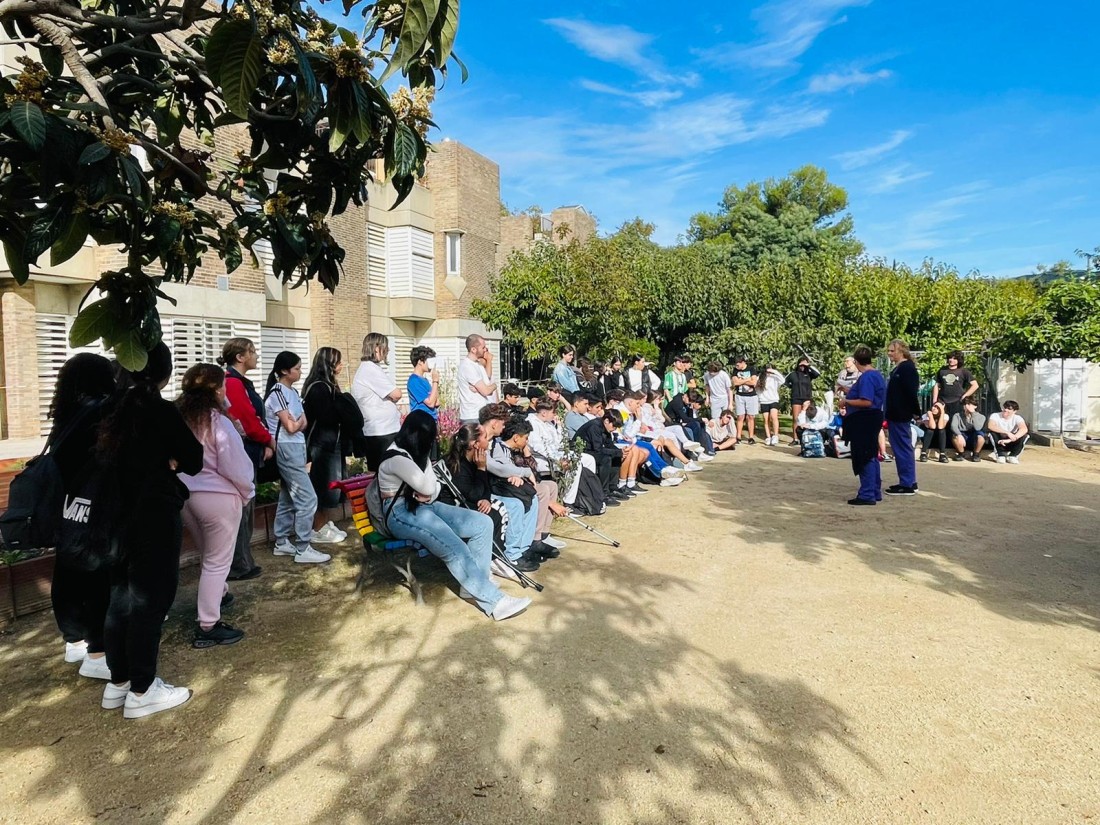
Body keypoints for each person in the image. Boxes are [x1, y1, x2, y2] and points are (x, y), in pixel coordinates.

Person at [97, 342, 203, 718]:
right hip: (153, 515)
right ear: (163, 373)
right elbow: (193, 459)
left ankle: (119, 681)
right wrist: (170, 461)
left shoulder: (110, 408)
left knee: (120, 598)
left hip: (114, 516)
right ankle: (142, 690)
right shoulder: (159, 410)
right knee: (149, 600)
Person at [376, 411, 531, 621]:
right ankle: (495, 602)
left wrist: (427, 488)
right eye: (430, 439)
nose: (432, 443)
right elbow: (428, 487)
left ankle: (475, 585)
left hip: (424, 506)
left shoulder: (411, 453)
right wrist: (426, 466)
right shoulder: (397, 458)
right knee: (454, 546)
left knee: (482, 523)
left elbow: (432, 492)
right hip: (400, 514)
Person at [46, 353, 116, 670]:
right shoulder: (100, 412)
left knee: (66, 565)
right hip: (93, 502)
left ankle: (73, 640)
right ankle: (97, 651)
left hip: (64, 504)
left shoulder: (64, 416)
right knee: (96, 572)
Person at [177, 364, 253, 649]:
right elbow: (235, 466)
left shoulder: (182, 418)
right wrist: (247, 491)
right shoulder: (218, 423)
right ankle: (208, 624)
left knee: (208, 555)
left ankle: (219, 594)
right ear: (217, 390)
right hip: (218, 497)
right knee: (217, 561)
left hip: (187, 495)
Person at [437, 423, 526, 580]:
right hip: (453, 510)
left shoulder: (476, 459)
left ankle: (495, 557)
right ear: (475, 444)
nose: (489, 440)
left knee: (498, 509)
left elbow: (484, 489)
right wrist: (481, 469)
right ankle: (489, 560)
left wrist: (485, 498)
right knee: (494, 514)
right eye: (485, 437)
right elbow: (472, 494)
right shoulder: (457, 464)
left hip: (469, 502)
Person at [265, 351, 330, 564]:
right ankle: (303, 547)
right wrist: (298, 421)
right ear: (285, 371)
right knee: (308, 498)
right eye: (297, 368)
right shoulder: (277, 393)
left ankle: (281, 541)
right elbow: (292, 426)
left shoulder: (292, 392)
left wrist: (299, 420)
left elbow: (303, 422)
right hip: (287, 447)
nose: (301, 372)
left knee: (287, 496)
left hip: (297, 446)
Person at [219, 337, 270, 582]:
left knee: (245, 508)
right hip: (244, 452)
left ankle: (242, 561)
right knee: (243, 508)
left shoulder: (235, 381)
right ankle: (239, 564)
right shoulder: (233, 382)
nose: (256, 355)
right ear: (240, 357)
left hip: (247, 450)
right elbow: (246, 420)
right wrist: (268, 440)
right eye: (253, 351)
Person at [486, 419, 557, 569]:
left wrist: (526, 454)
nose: (527, 441)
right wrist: (520, 473)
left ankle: (529, 544)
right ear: (516, 437)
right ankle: (515, 552)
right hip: (499, 488)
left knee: (539, 492)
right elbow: (500, 469)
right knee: (522, 502)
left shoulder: (513, 448)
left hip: (516, 484)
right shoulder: (497, 447)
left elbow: (532, 470)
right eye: (526, 438)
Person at [301, 347, 350, 544]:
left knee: (331, 486)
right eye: (338, 362)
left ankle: (324, 523)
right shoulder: (319, 388)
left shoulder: (326, 385)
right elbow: (327, 417)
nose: (341, 365)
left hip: (330, 443)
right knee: (322, 487)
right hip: (321, 445)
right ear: (329, 365)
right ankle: (317, 528)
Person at [840, 346, 886, 505]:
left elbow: (866, 401)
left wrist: (846, 401)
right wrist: (848, 390)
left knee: (864, 455)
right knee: (871, 454)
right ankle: (874, 490)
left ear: (856, 361)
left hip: (864, 419)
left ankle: (867, 494)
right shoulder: (877, 374)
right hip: (873, 417)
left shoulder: (867, 377)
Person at [351, 333, 402, 471]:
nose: (388, 350)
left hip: (384, 430)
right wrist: (391, 397)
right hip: (380, 432)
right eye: (385, 347)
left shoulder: (372, 368)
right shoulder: (370, 369)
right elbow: (396, 394)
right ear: (376, 348)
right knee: (385, 472)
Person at [884, 339, 921, 496]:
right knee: (901, 448)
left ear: (902, 351)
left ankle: (907, 483)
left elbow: (911, 393)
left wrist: (916, 412)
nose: (889, 353)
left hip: (900, 413)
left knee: (902, 448)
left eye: (892, 351)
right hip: (895, 413)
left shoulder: (907, 368)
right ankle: (908, 481)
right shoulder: (900, 368)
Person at [458, 334, 498, 423]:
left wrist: (485, 388)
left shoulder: (478, 365)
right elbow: (486, 391)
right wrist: (494, 385)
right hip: (472, 416)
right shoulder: (467, 366)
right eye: (483, 347)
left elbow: (488, 387)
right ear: (473, 349)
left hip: (482, 414)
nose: (485, 350)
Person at [931, 350, 978, 422]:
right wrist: (935, 401)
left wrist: (965, 396)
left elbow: (975, 385)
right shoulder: (942, 370)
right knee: (941, 423)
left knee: (955, 423)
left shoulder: (964, 371)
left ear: (959, 360)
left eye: (954, 358)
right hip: (943, 401)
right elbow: (936, 385)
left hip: (957, 402)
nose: (951, 360)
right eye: (950, 358)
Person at [785, 357, 821, 446]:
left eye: (804, 365)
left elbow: (817, 373)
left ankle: (805, 438)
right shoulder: (793, 374)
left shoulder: (809, 374)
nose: (802, 366)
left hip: (807, 398)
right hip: (796, 398)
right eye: (801, 364)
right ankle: (795, 438)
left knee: (807, 418)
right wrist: (792, 387)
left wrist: (808, 366)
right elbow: (785, 381)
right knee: (796, 419)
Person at [406, 345, 439, 419]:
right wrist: (435, 381)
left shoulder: (424, 380)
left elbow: (437, 402)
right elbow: (431, 403)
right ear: (420, 362)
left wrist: (436, 382)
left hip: (431, 419)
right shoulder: (414, 381)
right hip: (422, 420)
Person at [732, 356, 759, 444]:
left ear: (743, 362)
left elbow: (754, 382)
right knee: (740, 416)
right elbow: (735, 382)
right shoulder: (735, 371)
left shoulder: (751, 369)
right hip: (740, 396)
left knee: (751, 416)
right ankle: (738, 436)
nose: (736, 366)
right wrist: (747, 379)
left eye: (738, 365)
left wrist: (741, 380)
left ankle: (751, 437)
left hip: (751, 396)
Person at [950, 397, 987, 462]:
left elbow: (977, 428)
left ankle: (976, 454)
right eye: (965, 404)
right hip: (963, 433)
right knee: (955, 436)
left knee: (981, 437)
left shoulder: (981, 417)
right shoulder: (957, 415)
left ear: (975, 406)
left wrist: (973, 414)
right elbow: (953, 426)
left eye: (969, 404)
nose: (966, 406)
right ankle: (961, 453)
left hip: (974, 434)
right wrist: (959, 435)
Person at [756, 364, 785, 446]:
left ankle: (775, 435)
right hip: (764, 401)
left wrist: (774, 371)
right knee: (766, 420)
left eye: (770, 368)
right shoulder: (760, 377)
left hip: (774, 400)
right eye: (767, 369)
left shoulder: (775, 377)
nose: (768, 370)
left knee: (774, 417)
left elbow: (783, 380)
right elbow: (755, 387)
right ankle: (768, 437)